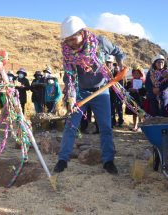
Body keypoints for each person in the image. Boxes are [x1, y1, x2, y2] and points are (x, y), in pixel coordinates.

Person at [54, 16, 126, 174]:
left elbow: (118, 52)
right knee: (71, 125)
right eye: (68, 40)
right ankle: (62, 159)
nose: (71, 42)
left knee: (106, 127)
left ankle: (108, 161)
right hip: (80, 92)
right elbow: (70, 77)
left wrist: (121, 63)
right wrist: (71, 97)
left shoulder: (100, 43)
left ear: (83, 32)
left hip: (101, 90)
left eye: (73, 38)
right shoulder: (68, 52)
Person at [125, 66, 146, 131]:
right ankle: (135, 126)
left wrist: (137, 90)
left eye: (138, 73)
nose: (136, 74)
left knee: (140, 112)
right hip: (133, 99)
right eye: (134, 73)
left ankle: (140, 126)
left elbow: (144, 91)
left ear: (141, 74)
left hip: (140, 99)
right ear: (132, 74)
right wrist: (130, 89)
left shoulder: (143, 82)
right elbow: (126, 89)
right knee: (134, 112)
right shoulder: (130, 82)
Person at [109, 61, 124, 127]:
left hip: (119, 94)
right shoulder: (111, 75)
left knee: (119, 108)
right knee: (112, 108)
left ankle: (120, 121)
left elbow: (122, 86)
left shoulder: (121, 76)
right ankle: (113, 121)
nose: (116, 68)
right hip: (111, 93)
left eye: (117, 67)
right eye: (115, 67)